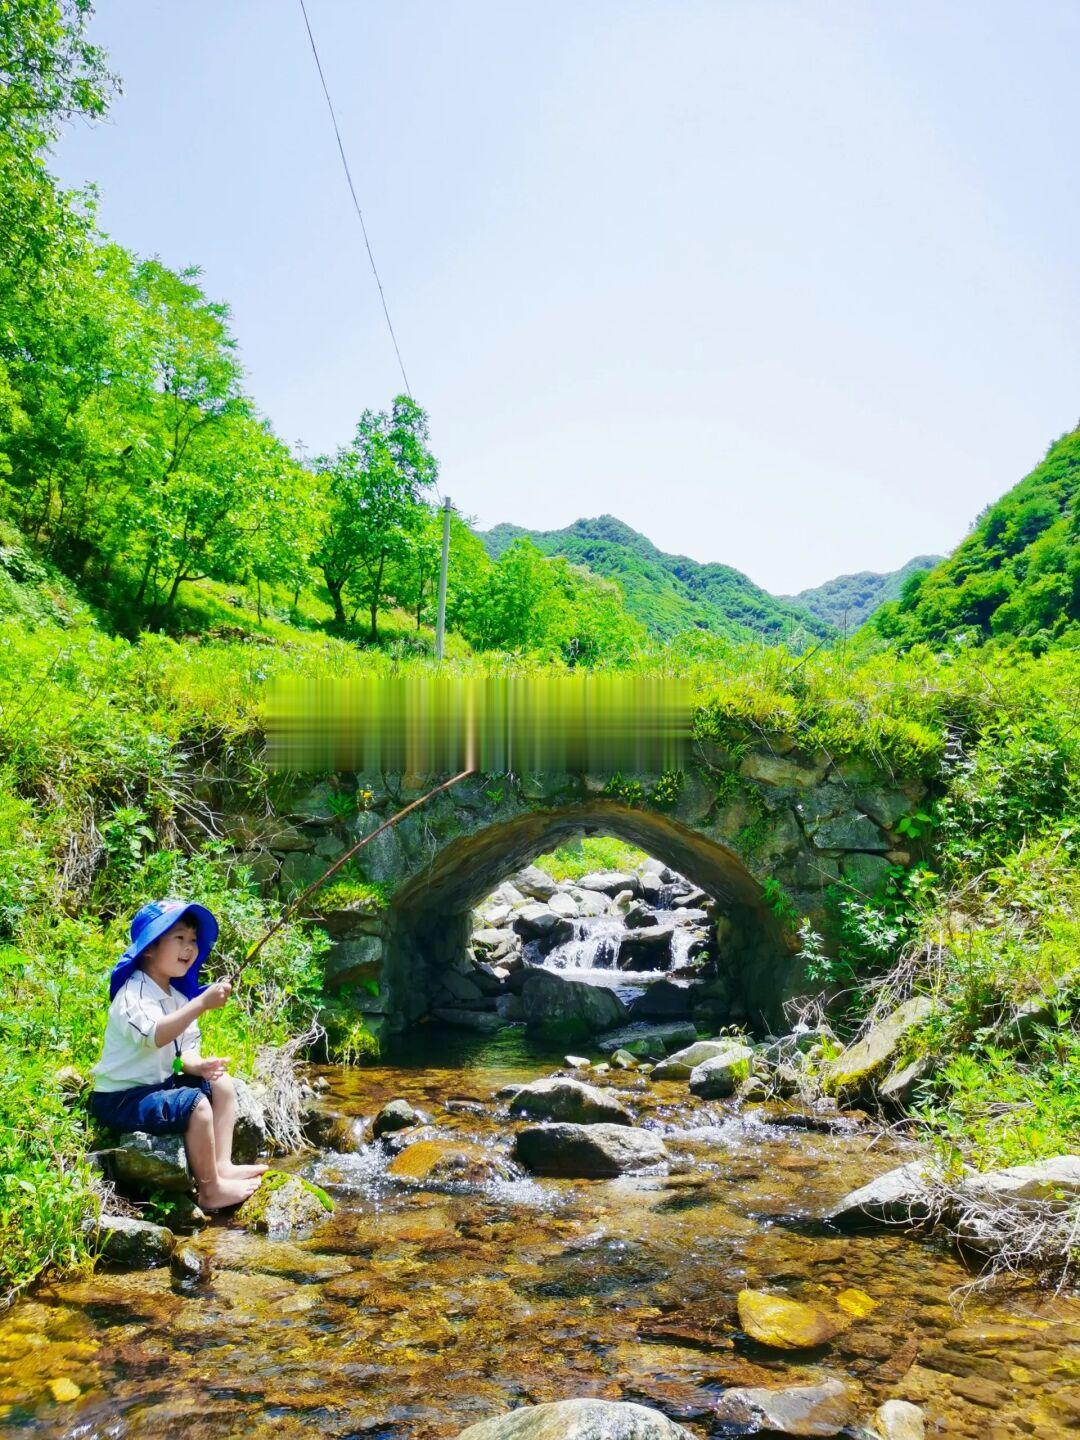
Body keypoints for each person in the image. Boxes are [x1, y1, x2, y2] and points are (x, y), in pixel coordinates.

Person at [89, 898, 267, 1210]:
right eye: (179, 938)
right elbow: (155, 1036)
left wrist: (199, 1066)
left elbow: (182, 1050)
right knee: (196, 1105)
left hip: (158, 1085)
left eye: (194, 940)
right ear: (148, 949)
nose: (189, 948)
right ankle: (210, 1190)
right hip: (122, 1098)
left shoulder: (177, 996)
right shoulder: (133, 993)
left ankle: (221, 1165)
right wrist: (200, 1004)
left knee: (222, 1085)